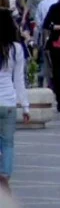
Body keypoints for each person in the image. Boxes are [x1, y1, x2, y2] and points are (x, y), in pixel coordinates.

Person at [0, 10, 30, 192]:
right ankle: (4, 176)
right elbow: (19, 80)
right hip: (8, 101)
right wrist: (25, 106)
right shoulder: (16, 49)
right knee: (8, 143)